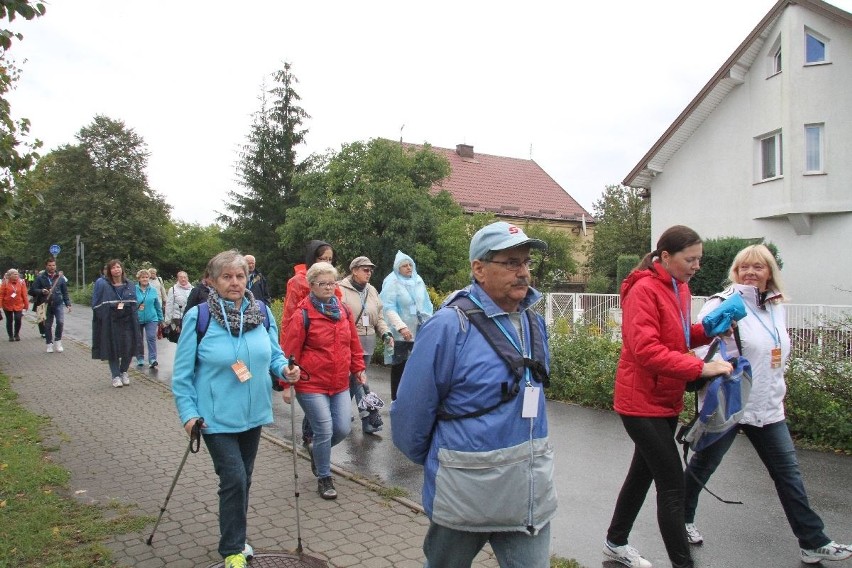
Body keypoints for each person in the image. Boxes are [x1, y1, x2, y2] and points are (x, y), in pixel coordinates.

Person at [392, 221, 557, 568]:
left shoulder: (533, 323)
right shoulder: (449, 326)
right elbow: (410, 415)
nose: (523, 272)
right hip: (464, 492)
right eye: (511, 263)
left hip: (528, 493)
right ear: (479, 269)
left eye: (526, 262)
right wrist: (446, 461)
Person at [683, 244, 852, 565]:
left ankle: (813, 541)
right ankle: (680, 518)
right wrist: (718, 358)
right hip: (730, 403)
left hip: (768, 406)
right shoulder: (721, 304)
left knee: (788, 474)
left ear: (769, 272)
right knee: (702, 468)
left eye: (758, 267)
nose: (751, 272)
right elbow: (700, 348)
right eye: (744, 267)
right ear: (735, 272)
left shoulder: (776, 307)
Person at [602, 225, 733, 568]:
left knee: (641, 475)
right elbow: (645, 349)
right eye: (690, 259)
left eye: (699, 260)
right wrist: (699, 369)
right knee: (673, 486)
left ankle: (615, 542)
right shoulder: (643, 290)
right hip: (639, 402)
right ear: (665, 257)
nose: (696, 266)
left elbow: (677, 335)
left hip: (665, 397)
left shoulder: (681, 289)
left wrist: (709, 330)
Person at [172, 250, 299, 568]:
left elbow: (274, 354)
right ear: (212, 282)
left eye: (240, 276)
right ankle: (232, 550)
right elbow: (183, 374)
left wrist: (286, 371)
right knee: (235, 479)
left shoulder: (262, 313)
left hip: (253, 413)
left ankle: (237, 537)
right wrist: (188, 415)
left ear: (248, 279)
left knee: (244, 478)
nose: (235, 282)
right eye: (227, 276)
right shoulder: (199, 317)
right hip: (213, 417)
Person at [281, 261, 365, 501]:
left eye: (331, 283)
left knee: (342, 428)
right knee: (324, 428)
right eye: (322, 284)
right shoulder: (303, 314)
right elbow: (289, 352)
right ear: (311, 286)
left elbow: (353, 344)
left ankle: (316, 450)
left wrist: (358, 368)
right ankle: (324, 476)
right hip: (311, 383)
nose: (328, 287)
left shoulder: (344, 311)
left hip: (339, 382)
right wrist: (286, 384)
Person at [281, 240, 340, 446]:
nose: (326, 262)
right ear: (311, 259)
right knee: (312, 394)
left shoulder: (333, 282)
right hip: (307, 342)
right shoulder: (298, 282)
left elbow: (340, 309)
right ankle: (310, 435)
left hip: (331, 346)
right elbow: (289, 317)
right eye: (322, 258)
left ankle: (317, 437)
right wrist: (287, 356)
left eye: (330, 259)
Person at [338, 256, 394, 435]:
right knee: (359, 380)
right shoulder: (341, 289)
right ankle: (368, 419)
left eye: (371, 270)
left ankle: (340, 412)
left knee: (355, 381)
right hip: (349, 342)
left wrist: (385, 333)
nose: (369, 273)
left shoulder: (372, 290)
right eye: (365, 269)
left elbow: (379, 317)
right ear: (354, 270)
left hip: (368, 342)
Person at [379, 250, 433, 401]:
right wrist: (401, 327)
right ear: (397, 268)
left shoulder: (418, 280)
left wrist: (430, 324)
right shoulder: (392, 281)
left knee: (417, 366)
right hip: (400, 334)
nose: (409, 268)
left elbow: (426, 305)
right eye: (404, 265)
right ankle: (397, 400)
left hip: (419, 331)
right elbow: (388, 307)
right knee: (400, 367)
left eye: (410, 264)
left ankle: (413, 400)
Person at [92, 259, 141, 387]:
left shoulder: (130, 284)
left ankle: (123, 371)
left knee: (129, 346)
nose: (116, 270)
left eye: (118, 267)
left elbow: (134, 301)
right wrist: (102, 317)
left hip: (127, 320)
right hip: (111, 320)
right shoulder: (103, 284)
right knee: (112, 347)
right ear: (109, 271)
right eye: (113, 268)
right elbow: (96, 303)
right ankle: (115, 375)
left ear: (122, 269)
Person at [32, 257, 72, 353]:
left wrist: (68, 303)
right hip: (46, 304)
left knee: (60, 322)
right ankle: (49, 343)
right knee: (47, 325)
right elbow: (32, 290)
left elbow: (65, 292)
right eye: (49, 265)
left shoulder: (60, 278)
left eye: (53, 265)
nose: (52, 267)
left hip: (58, 303)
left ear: (56, 265)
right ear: (46, 266)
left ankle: (58, 341)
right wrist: (42, 291)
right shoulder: (40, 278)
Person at [135, 269, 164, 368]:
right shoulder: (134, 289)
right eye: (143, 277)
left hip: (151, 317)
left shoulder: (153, 290)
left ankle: (152, 359)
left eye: (146, 277)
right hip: (137, 318)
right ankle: (140, 357)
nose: (145, 279)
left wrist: (161, 319)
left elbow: (157, 305)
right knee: (138, 339)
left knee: (151, 337)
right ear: (139, 278)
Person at [1, 268, 29, 341]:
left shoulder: (21, 283)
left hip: (18, 304)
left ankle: (16, 334)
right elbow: (1, 295)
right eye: (15, 274)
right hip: (7, 305)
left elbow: (24, 294)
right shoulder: (5, 283)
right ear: (10, 275)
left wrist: (26, 305)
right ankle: (10, 336)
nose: (17, 275)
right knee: (9, 320)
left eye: (17, 274)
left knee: (18, 318)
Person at [165, 270, 193, 337]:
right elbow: (169, 305)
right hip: (177, 318)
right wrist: (168, 320)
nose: (183, 279)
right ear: (178, 278)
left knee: (189, 337)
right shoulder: (173, 289)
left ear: (187, 278)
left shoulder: (193, 289)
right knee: (180, 337)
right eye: (181, 277)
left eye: (184, 277)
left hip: (189, 317)